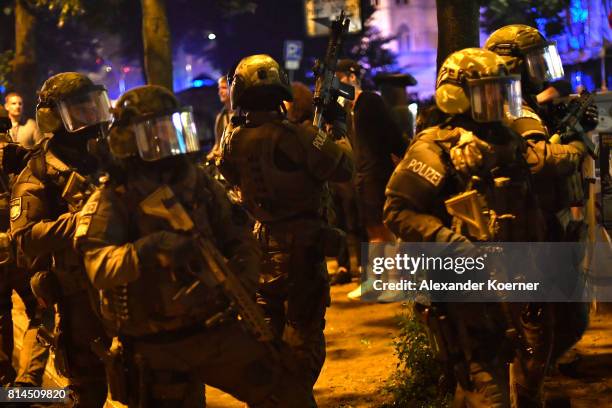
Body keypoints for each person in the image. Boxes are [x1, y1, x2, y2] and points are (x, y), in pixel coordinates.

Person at [74, 84, 315, 407]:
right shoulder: (115, 196)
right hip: (157, 344)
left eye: (169, 128)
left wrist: (242, 276)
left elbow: (238, 234)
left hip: (215, 328)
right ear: (131, 139)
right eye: (154, 131)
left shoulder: (195, 179)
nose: (165, 139)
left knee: (286, 389)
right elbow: (99, 266)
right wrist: (150, 250)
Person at [384, 48, 546, 407]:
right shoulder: (433, 147)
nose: (497, 101)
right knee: (486, 387)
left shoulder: (504, 140)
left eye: (500, 91)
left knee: (522, 378)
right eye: (487, 92)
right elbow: (397, 211)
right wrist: (454, 244)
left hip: (512, 284)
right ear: (455, 95)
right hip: (465, 290)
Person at [218, 54, 353, 389]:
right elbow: (343, 168)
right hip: (301, 251)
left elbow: (231, 173)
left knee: (266, 335)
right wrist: (337, 127)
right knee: (303, 336)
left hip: (259, 246)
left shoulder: (232, 139)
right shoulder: (298, 137)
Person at [485, 25, 597, 406]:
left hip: (538, 229)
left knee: (561, 320)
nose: (541, 70)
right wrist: (577, 146)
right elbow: (536, 161)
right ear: (514, 66)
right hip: (522, 238)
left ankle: (531, 388)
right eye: (534, 62)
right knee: (535, 329)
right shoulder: (509, 105)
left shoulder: (521, 104)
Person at [10, 72, 111, 406]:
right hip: (76, 295)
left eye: (93, 106)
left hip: (122, 285)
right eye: (80, 110)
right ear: (53, 117)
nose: (91, 117)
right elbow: (25, 236)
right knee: (87, 386)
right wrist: (81, 220)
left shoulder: (107, 158)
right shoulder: (38, 172)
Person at [334, 59, 407, 299]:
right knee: (371, 230)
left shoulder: (370, 101)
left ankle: (394, 284)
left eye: (339, 79)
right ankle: (374, 282)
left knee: (383, 229)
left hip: (377, 173)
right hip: (361, 176)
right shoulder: (348, 109)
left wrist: (403, 157)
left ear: (351, 77)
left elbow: (391, 133)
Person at [0, 107, 50, 387]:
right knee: (42, 310)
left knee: (1, 312)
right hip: (20, 246)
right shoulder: (19, 155)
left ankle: (4, 383)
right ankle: (28, 382)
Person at [206, 76, 232, 162]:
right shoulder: (220, 118)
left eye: (224, 88)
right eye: (219, 88)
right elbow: (217, 144)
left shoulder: (242, 113)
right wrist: (208, 158)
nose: (220, 92)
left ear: (232, 89)